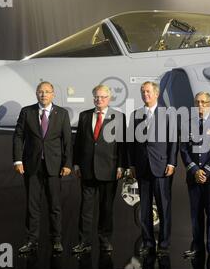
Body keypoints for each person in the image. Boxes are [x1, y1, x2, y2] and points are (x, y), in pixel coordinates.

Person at [13, 81, 72, 254]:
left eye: (47, 92)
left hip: (54, 167)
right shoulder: (27, 112)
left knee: (55, 206)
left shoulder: (62, 113)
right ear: (36, 94)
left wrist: (68, 163)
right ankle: (31, 241)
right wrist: (17, 161)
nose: (43, 95)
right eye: (40, 92)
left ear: (53, 94)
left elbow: (67, 141)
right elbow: (18, 137)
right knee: (32, 206)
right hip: (31, 167)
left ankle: (57, 241)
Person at [72, 84, 126, 254]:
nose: (99, 100)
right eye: (96, 97)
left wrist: (121, 166)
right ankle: (84, 242)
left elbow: (123, 145)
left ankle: (105, 241)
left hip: (109, 170)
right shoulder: (84, 116)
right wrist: (76, 163)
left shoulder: (119, 117)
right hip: (87, 170)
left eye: (103, 97)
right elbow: (79, 142)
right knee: (85, 209)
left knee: (106, 209)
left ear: (109, 98)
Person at [128, 81, 178, 257]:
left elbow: (173, 141)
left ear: (156, 94)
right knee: (145, 209)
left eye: (148, 91)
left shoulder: (168, 114)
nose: (145, 94)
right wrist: (132, 164)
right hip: (142, 167)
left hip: (162, 166)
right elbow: (131, 143)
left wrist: (172, 163)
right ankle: (148, 242)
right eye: (143, 92)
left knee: (164, 207)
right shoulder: (135, 114)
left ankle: (164, 243)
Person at [180, 92, 210, 260]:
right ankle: (197, 246)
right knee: (196, 214)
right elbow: (183, 149)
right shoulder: (187, 123)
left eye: (204, 102)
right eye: (197, 102)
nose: (200, 106)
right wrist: (194, 171)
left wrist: (206, 171)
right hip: (194, 176)